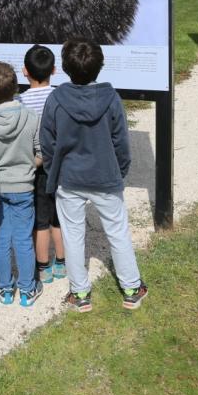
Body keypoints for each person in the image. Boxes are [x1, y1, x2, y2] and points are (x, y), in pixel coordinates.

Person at [40, 38, 147, 313]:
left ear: (65, 67)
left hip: (70, 179)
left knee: (73, 236)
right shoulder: (110, 99)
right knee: (117, 232)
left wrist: (54, 174)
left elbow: (48, 144)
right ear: (100, 66)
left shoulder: (56, 100)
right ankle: (132, 288)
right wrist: (119, 171)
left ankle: (80, 293)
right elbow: (122, 141)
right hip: (104, 177)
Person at [0, 62, 41, 308]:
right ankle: (26, 289)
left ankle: (5, 288)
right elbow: (41, 153)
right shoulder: (31, 117)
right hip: (24, 186)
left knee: (0, 239)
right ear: (15, 87)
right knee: (23, 238)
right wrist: (26, 166)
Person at [16, 45, 66, 285]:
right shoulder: (61, 96)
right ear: (54, 70)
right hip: (61, 165)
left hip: (35, 166)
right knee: (59, 216)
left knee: (41, 219)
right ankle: (62, 261)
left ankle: (43, 266)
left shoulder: (20, 101)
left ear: (24, 71)